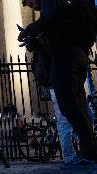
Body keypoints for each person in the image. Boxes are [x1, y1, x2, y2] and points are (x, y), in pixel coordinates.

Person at [18, 0, 97, 164]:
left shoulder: (50, 4)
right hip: (78, 54)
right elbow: (53, 26)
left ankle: (88, 151)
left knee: (68, 105)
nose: (28, 6)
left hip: (65, 57)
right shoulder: (65, 10)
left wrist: (30, 30)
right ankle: (90, 149)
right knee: (80, 104)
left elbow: (48, 18)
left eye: (28, 1)